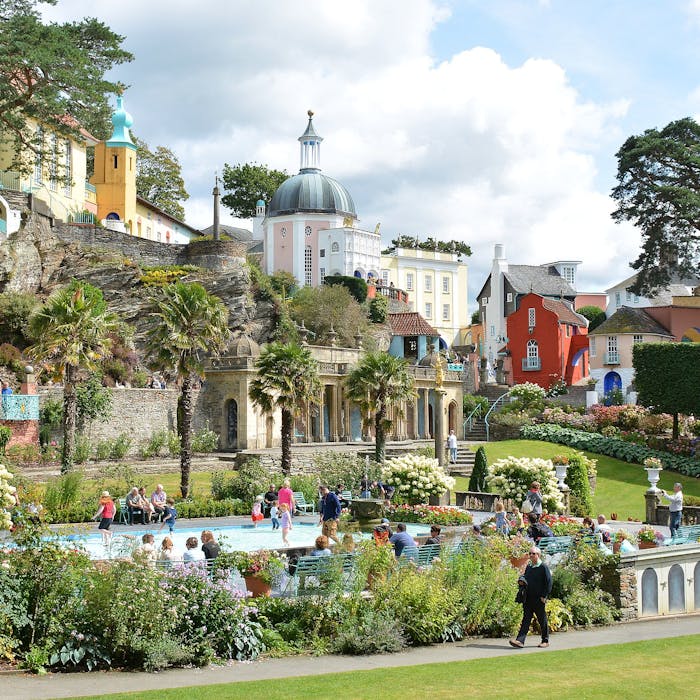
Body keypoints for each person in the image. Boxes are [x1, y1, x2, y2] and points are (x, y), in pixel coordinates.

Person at [509, 545, 552, 649]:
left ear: (538, 555)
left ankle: (545, 640)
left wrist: (544, 596)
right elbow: (526, 577)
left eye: (533, 554)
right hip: (528, 598)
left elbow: (549, 582)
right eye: (530, 553)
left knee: (542, 620)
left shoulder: (543, 567)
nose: (531, 555)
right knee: (526, 619)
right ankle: (520, 641)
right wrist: (521, 580)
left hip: (539, 598)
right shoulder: (529, 567)